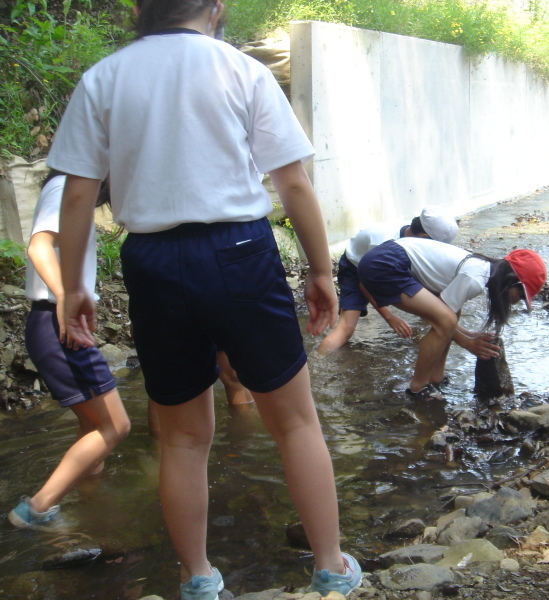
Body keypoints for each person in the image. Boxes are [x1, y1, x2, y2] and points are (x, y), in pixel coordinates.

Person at [48, 0, 360, 598]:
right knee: (295, 422)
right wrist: (322, 270)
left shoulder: (104, 78)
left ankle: (197, 579)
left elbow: (78, 196)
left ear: (141, 10)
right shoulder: (241, 70)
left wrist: (73, 288)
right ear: (215, 9)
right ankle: (330, 568)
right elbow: (291, 181)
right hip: (239, 249)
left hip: (151, 260)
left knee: (184, 437)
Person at [8, 170, 131, 529]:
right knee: (115, 427)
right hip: (59, 323)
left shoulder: (72, 191)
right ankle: (37, 508)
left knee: (92, 425)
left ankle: (92, 506)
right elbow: (38, 245)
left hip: (56, 322)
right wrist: (66, 299)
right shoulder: (64, 187)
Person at [358, 237, 546, 398]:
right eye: (520, 296)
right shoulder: (474, 278)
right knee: (446, 320)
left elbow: (445, 314)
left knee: (452, 314)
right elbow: (441, 321)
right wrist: (467, 343)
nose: (515, 302)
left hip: (387, 259)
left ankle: (436, 376)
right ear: (511, 279)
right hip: (385, 265)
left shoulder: (481, 268)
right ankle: (418, 387)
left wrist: (469, 335)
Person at [318, 207, 459, 354]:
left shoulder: (409, 236)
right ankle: (318, 363)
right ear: (423, 238)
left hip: (389, 265)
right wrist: (390, 317)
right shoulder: (383, 244)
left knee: (431, 303)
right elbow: (365, 285)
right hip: (355, 269)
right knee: (346, 328)